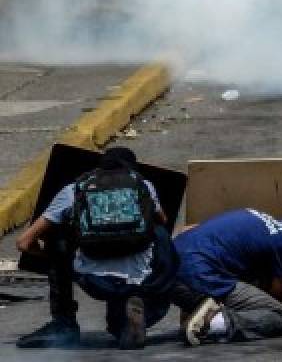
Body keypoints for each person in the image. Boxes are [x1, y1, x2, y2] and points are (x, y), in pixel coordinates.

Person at [16, 147, 177, 351]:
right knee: (159, 232)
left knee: (57, 238)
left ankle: (64, 323)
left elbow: (23, 242)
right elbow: (163, 220)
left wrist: (54, 259)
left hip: (93, 280)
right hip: (139, 280)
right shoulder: (144, 186)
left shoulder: (74, 191)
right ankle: (126, 322)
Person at [171, 208, 282, 345]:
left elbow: (187, 229)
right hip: (199, 275)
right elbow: (276, 293)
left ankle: (198, 314)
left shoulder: (254, 214)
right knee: (280, 315)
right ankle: (212, 323)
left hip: (169, 266)